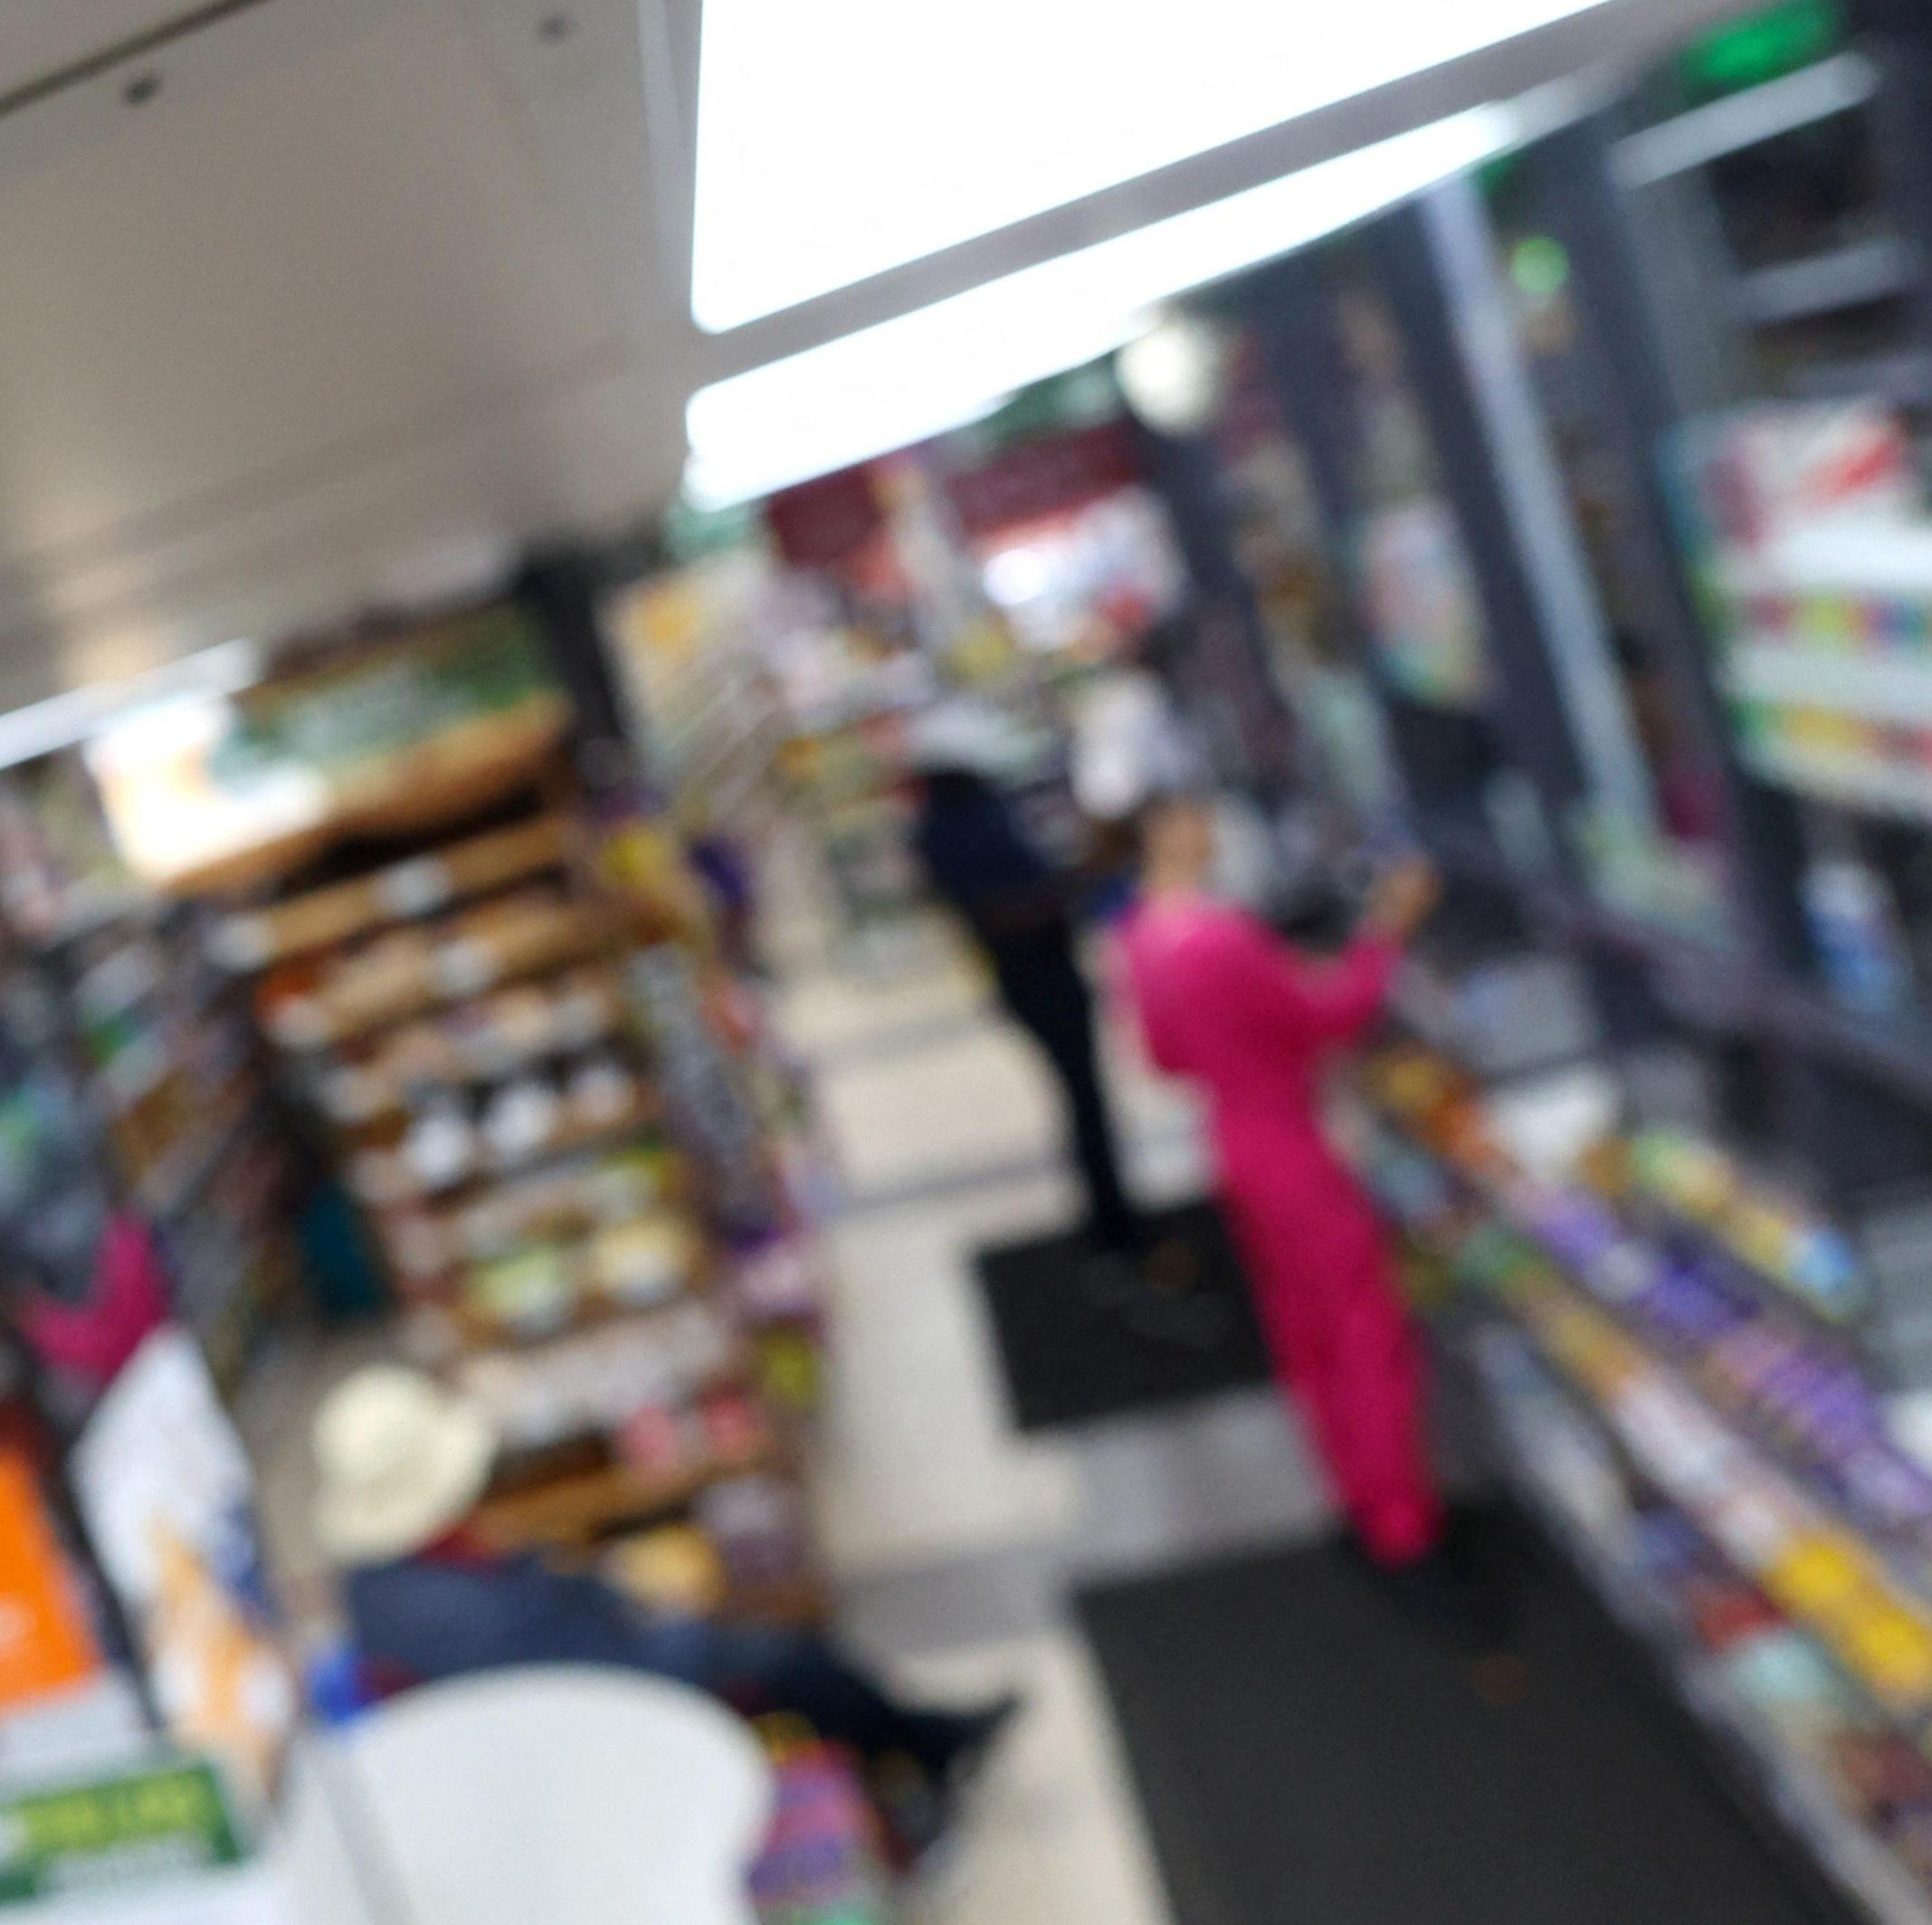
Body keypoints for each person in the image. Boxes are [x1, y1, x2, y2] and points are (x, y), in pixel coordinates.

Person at [313, 1365, 1017, 1850]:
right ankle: (921, 1760)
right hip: (609, 1721)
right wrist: (681, 1625)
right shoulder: (465, 1615)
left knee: (773, 1645)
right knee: (791, 1656)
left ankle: (919, 1742)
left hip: (580, 1687)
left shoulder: (381, 1581)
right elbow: (602, 1678)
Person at [1118, 796, 1447, 1576]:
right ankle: (1402, 1522)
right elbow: (1335, 1016)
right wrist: (1386, 932)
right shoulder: (1220, 938)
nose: (1212, 827)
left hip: (1233, 1144)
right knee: (1366, 1330)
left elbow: (1165, 1056)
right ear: (1167, 832)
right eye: (1193, 816)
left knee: (1305, 1334)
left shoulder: (1140, 936)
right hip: (1292, 1145)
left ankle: (1354, 1495)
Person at [902, 719, 1142, 1253]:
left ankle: (1112, 1210)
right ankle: (1112, 1220)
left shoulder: (955, 823)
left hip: (1036, 973)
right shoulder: (957, 827)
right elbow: (1006, 910)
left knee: (1085, 1097)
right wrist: (1076, 884)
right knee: (1083, 1098)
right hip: (1036, 977)